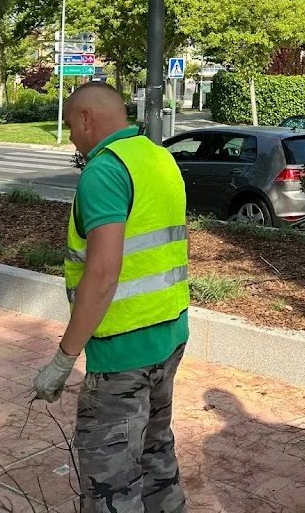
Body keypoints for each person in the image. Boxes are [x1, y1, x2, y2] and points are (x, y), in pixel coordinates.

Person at [33, 82, 190, 512]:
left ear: (87, 118)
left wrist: (63, 360)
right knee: (157, 456)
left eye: (69, 126)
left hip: (123, 354)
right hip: (170, 335)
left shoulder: (104, 170)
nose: (70, 137)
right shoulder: (158, 158)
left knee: (112, 484)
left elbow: (102, 272)